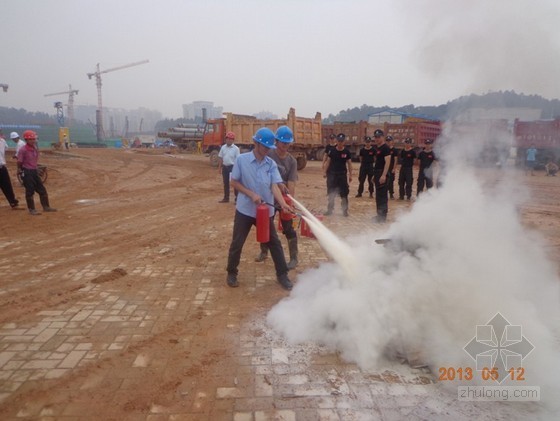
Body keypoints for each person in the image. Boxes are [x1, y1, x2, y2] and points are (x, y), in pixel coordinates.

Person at [226, 127, 295, 291]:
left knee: (274, 243)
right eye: (265, 147)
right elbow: (234, 182)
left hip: (264, 213)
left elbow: (275, 186)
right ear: (255, 143)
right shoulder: (242, 160)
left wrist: (283, 204)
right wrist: (251, 194)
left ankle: (282, 275)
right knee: (237, 242)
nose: (267, 151)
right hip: (245, 210)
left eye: (268, 148)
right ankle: (231, 272)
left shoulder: (270, 164)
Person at [255, 126, 299, 269]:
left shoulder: (292, 162)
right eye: (282, 142)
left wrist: (290, 201)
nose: (285, 145)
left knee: (288, 228)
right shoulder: (269, 155)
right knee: (265, 224)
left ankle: (294, 258)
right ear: (277, 141)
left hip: (283, 199)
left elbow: (291, 182)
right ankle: (264, 251)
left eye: (287, 143)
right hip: (268, 196)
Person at [17, 130, 57, 215]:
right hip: (27, 172)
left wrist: (37, 167)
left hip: (34, 171)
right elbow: (19, 161)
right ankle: (31, 209)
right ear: (26, 140)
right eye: (31, 139)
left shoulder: (34, 148)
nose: (33, 140)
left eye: (34, 139)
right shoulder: (23, 150)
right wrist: (19, 170)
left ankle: (46, 207)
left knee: (42, 189)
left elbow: (34, 160)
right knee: (30, 191)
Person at [323, 133, 352, 216]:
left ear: (344, 142)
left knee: (344, 194)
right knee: (331, 193)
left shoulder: (346, 152)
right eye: (339, 141)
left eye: (341, 141)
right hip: (332, 175)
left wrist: (350, 175)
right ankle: (330, 210)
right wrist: (324, 172)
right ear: (337, 141)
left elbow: (349, 164)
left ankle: (345, 211)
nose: (340, 143)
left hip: (342, 176)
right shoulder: (332, 151)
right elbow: (328, 162)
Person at [372, 129, 391, 223]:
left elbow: (388, 162)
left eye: (379, 137)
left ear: (383, 137)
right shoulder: (378, 148)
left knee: (383, 196)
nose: (377, 139)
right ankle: (379, 215)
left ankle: (383, 217)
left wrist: (383, 175)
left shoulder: (385, 148)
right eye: (375, 137)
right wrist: (374, 175)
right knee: (378, 196)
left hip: (382, 173)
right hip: (377, 173)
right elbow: (377, 163)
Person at [217, 131, 240, 203]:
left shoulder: (236, 149)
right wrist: (219, 168)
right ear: (225, 139)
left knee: (235, 184)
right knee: (225, 183)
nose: (229, 140)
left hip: (233, 168)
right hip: (225, 167)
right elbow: (220, 158)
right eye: (227, 138)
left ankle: (237, 199)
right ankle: (226, 198)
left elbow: (238, 160)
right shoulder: (223, 147)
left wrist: (237, 170)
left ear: (233, 140)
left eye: (230, 139)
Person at [0, 132, 19, 209]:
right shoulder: (3, 141)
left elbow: (5, 148)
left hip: (1, 166)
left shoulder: (3, 141)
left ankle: (12, 202)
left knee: (7, 185)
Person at [386, 135, 398, 199]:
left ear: (392, 142)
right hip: (385, 168)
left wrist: (394, 168)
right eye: (387, 141)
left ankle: (391, 194)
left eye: (389, 141)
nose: (388, 142)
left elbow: (395, 160)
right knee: (385, 181)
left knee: (391, 181)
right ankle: (385, 194)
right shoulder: (385, 149)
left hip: (391, 168)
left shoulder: (394, 150)